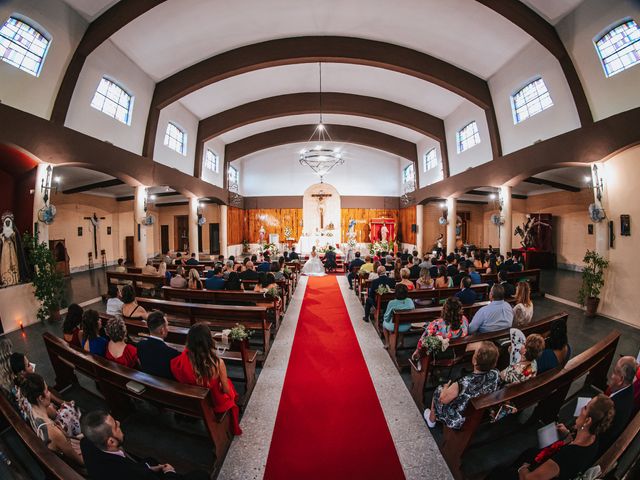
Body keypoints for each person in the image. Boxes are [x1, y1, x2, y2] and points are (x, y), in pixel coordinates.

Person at [492, 394, 614, 480]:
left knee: (497, 472)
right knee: (529, 452)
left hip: (532, 474)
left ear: (587, 421)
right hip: (547, 466)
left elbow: (531, 479)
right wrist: (567, 434)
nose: (582, 408)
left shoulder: (568, 455)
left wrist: (522, 468)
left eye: (586, 408)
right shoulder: (594, 438)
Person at [80, 410, 208, 479]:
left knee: (150, 460)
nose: (119, 423)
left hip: (138, 469)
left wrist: (149, 468)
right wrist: (170, 472)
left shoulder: (86, 443)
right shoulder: (130, 474)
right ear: (111, 442)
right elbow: (133, 473)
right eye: (115, 426)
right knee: (201, 475)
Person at [171, 323, 242, 435]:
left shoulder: (183, 358)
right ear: (209, 340)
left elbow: (178, 373)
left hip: (193, 397)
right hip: (213, 401)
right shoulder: (217, 363)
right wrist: (230, 395)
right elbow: (225, 390)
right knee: (228, 385)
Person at [424, 341, 500, 429]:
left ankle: (431, 419)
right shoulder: (495, 374)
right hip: (478, 412)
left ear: (474, 361)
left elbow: (443, 400)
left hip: (458, 420)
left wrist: (445, 389)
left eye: (475, 352)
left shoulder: (463, 383)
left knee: (439, 390)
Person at [20, 373, 84, 466]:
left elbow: (54, 415)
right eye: (46, 391)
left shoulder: (32, 408)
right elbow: (80, 462)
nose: (49, 393)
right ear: (40, 398)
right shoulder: (53, 431)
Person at [413, 297, 469, 364]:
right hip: (457, 355)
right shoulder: (464, 320)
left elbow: (422, 342)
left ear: (444, 310)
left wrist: (417, 351)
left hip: (437, 357)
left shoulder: (436, 323)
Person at [600, 356, 636, 453]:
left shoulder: (613, 406)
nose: (611, 375)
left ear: (621, 379)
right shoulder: (629, 388)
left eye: (614, 372)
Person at [137, 310, 180, 380]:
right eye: (167, 325)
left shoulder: (140, 345)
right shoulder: (172, 353)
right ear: (162, 330)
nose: (168, 328)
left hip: (147, 382)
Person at [381, 284, 415, 348]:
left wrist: (386, 319)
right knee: (401, 320)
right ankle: (401, 342)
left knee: (384, 324)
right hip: (406, 325)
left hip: (395, 326)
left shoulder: (392, 302)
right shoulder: (410, 300)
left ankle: (387, 343)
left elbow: (386, 317)